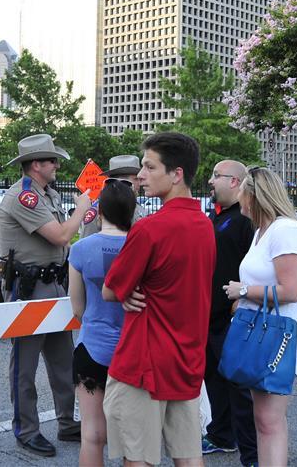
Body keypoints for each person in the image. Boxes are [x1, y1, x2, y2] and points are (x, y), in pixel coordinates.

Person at [102, 132, 215, 467]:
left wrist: (126, 294)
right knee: (189, 454)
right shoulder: (204, 225)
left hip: (144, 361)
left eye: (150, 167)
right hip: (187, 360)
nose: (140, 175)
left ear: (176, 174)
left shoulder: (150, 229)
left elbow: (111, 289)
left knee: (138, 457)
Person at [0, 133, 93, 457]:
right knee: (25, 365)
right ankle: (27, 429)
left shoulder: (47, 194)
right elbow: (62, 235)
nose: (57, 165)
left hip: (54, 285)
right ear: (36, 164)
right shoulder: (23, 197)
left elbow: (66, 241)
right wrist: (82, 208)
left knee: (63, 361)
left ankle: (67, 423)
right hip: (29, 288)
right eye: (52, 160)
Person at [223, 167, 297, 467]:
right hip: (263, 333)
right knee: (263, 419)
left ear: (253, 195)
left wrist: (244, 291)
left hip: (279, 335)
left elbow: (290, 290)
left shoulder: (285, 230)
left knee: (269, 420)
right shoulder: (263, 231)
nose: (238, 199)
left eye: (242, 192)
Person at [68, 178, 138, 466]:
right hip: (134, 349)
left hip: (92, 348)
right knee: (131, 437)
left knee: (92, 435)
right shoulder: (143, 247)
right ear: (131, 213)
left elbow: (77, 307)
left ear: (99, 213)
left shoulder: (82, 249)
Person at [201, 160, 258, 464]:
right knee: (214, 378)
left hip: (234, 316)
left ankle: (252, 451)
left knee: (239, 386)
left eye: (216, 175)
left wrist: (243, 298)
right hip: (209, 316)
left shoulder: (245, 220)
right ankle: (221, 434)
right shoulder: (216, 216)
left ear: (235, 182)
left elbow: (258, 265)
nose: (210, 181)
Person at [79, 155, 147, 239]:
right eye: (136, 179)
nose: (140, 184)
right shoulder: (98, 209)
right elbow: (86, 243)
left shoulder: (138, 206)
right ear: (121, 181)